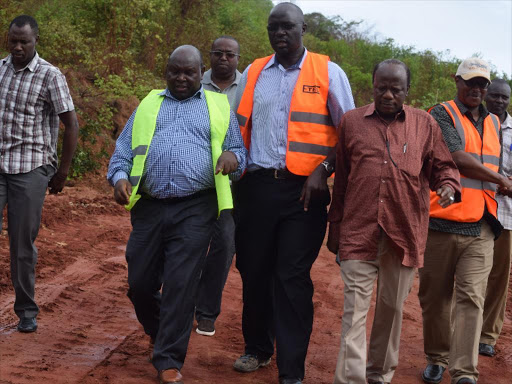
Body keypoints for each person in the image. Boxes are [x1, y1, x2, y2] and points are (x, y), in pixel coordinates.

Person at [107, 45, 246, 384]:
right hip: (149, 206)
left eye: (189, 72)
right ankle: (158, 331)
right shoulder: (148, 106)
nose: (181, 78)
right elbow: (123, 153)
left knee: (181, 284)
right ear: (165, 72)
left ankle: (168, 358)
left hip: (196, 206)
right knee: (140, 283)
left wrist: (232, 158)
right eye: (175, 72)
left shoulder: (218, 107)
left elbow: (239, 151)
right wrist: (119, 178)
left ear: (202, 74)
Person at [232, 3, 355, 384]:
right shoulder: (254, 71)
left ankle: (291, 370)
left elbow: (350, 134)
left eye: (287, 27)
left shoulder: (329, 73)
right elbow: (237, 127)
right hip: (256, 188)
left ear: (303, 29)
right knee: (253, 271)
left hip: (304, 194)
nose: (279, 33)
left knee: (291, 276)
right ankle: (257, 348)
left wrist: (323, 170)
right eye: (273, 28)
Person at [326, 59, 461, 384]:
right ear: (372, 86)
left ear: (406, 90)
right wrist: (336, 228)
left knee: (391, 311)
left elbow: (444, 165)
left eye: (395, 89)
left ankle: (379, 376)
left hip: (403, 234)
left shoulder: (425, 125)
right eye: (381, 87)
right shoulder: (352, 122)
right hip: (359, 231)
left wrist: (447, 186)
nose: (387, 94)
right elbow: (342, 180)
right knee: (354, 313)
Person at [419, 58, 512, 384]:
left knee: (472, 297)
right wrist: (503, 181)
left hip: (482, 226)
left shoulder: (493, 124)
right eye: (470, 82)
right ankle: (437, 357)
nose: (477, 88)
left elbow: (492, 166)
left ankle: (463, 371)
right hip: (440, 223)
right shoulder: (441, 114)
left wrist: (502, 183)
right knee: (435, 297)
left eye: (482, 84)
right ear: (457, 80)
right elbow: (457, 158)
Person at [0, 15, 79, 333]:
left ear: (36, 41)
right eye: (13, 41)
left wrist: (62, 172)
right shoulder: (0, 69)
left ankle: (26, 311)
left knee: (21, 244)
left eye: (24, 42)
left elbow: (71, 124)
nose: (18, 47)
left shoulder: (50, 75)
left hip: (31, 168)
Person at [195, 35, 242, 337]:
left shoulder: (250, 85)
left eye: (230, 54)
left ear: (238, 58)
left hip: (233, 180)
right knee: (190, 242)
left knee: (224, 244)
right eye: (218, 53)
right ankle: (182, 302)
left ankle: (207, 312)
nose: (224, 58)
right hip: (197, 177)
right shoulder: (193, 83)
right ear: (209, 56)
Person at [479, 78, 512, 357]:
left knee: (499, 277)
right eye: (495, 96)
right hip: (477, 210)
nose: (499, 101)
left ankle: (487, 335)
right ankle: (462, 329)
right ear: (486, 95)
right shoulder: (477, 123)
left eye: (505, 97)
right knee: (472, 273)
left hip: (507, 214)